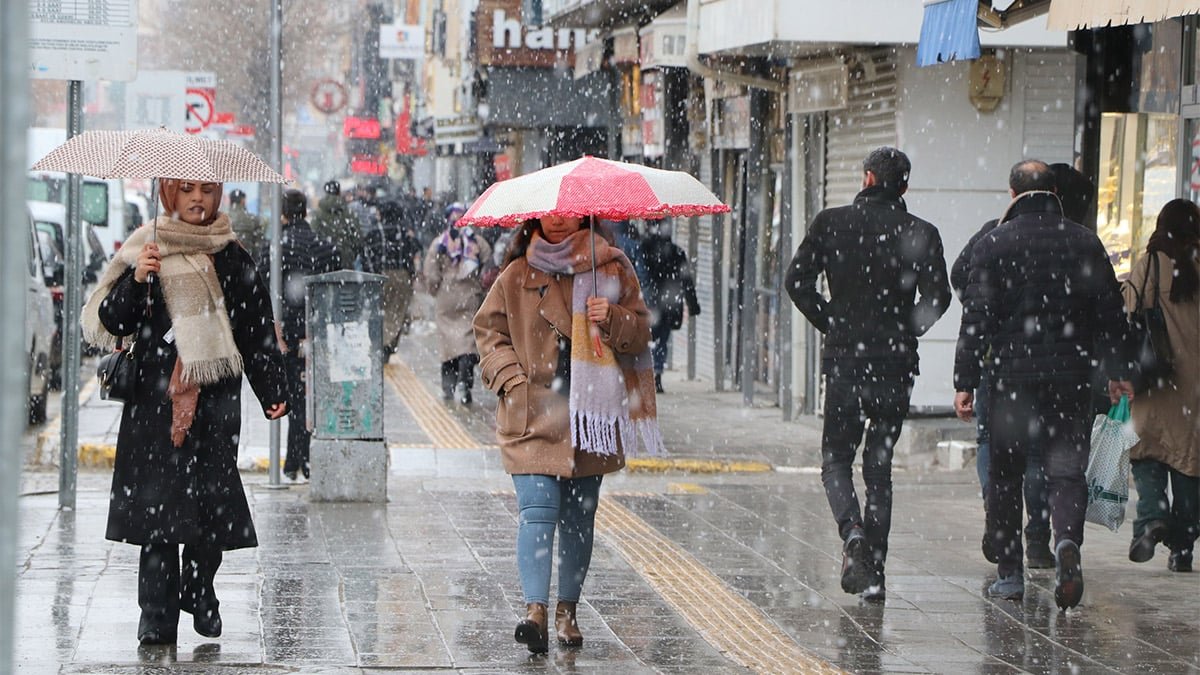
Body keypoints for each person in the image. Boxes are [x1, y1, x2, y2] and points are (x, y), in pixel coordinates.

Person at [80, 178, 288, 645]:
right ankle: (156, 616)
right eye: (187, 190)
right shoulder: (148, 247)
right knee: (157, 521)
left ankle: (199, 589)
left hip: (214, 403)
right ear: (169, 196)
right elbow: (113, 320)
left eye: (207, 190)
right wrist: (138, 279)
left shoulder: (231, 255)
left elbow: (255, 330)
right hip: (155, 405)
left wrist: (272, 388)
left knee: (210, 510)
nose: (198, 199)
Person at [474, 215, 662, 654]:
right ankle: (535, 612)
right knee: (537, 510)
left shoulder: (610, 268)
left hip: (589, 416)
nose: (558, 218)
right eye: (550, 211)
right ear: (536, 216)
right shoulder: (517, 274)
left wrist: (612, 317)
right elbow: (488, 332)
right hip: (532, 415)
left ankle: (567, 611)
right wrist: (511, 380)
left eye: (566, 211)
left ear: (583, 213)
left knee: (578, 520)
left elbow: (640, 333)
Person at [954, 159, 1133, 609]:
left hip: (1010, 380)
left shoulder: (994, 243)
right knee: (1066, 471)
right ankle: (1066, 543)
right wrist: (1118, 373)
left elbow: (976, 319)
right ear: (1054, 193)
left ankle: (1010, 575)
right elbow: (1111, 315)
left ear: (1013, 193)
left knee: (1005, 475)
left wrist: (965, 381)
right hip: (1070, 378)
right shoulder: (1084, 241)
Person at [785, 147, 951, 602]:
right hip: (895, 366)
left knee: (836, 459)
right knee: (879, 468)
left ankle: (852, 532)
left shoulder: (831, 223)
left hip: (846, 362)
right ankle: (874, 575)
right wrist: (905, 329)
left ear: (867, 179)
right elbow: (939, 297)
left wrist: (833, 323)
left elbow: (796, 282)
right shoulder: (921, 232)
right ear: (904, 186)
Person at [1122, 198, 1199, 572]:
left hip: (1155, 376)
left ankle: (1152, 517)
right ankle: (1183, 545)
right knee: (1189, 462)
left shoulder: (1150, 264)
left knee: (1147, 452)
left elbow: (1128, 305)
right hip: (1194, 385)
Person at [256, 190, 339, 481]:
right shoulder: (325, 246)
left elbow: (262, 289)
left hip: (286, 334)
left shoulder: (275, 248)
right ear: (305, 212)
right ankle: (304, 458)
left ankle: (295, 460)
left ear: (282, 214)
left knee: (293, 395)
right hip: (318, 331)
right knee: (314, 396)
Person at [423, 204, 491, 404]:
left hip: (446, 298)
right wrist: (481, 288)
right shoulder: (477, 242)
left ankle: (449, 385)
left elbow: (431, 273)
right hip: (470, 296)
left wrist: (435, 289)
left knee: (448, 344)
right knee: (468, 341)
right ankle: (465, 378)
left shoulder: (440, 243)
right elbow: (489, 269)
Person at [639, 222, 700, 393]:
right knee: (661, 340)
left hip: (649, 303)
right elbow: (686, 281)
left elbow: (639, 275)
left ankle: (649, 372)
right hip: (669, 304)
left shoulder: (643, 249)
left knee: (649, 339)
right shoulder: (676, 252)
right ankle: (657, 373)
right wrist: (692, 304)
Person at [363, 199, 422, 358]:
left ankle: (379, 344)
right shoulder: (404, 233)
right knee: (397, 312)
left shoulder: (374, 233)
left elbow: (367, 257)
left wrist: (370, 276)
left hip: (380, 277)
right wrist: (411, 275)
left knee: (379, 312)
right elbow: (414, 252)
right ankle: (389, 345)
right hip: (402, 277)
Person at [310, 180, 363, 270]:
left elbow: (313, 235)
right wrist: (351, 253)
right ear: (339, 192)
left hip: (324, 259)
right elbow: (358, 238)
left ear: (326, 192)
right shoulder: (348, 213)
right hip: (346, 258)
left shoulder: (318, 214)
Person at [227, 188, 266, 256]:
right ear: (243, 200)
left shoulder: (223, 219)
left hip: (228, 258)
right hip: (247, 258)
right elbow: (258, 245)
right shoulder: (253, 219)